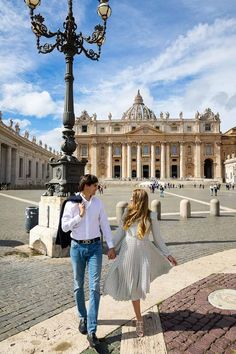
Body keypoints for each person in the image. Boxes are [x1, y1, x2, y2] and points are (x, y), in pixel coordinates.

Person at [103, 189, 177, 337]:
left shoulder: (152, 216)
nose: (130, 201)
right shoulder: (127, 214)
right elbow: (119, 234)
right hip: (127, 253)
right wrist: (111, 248)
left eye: (132, 199)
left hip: (143, 254)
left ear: (139, 200)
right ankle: (138, 316)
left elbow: (158, 239)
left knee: (136, 288)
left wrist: (168, 254)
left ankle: (139, 320)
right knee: (120, 281)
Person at [61, 174, 116, 348]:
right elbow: (64, 227)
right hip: (77, 247)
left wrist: (111, 245)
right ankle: (82, 317)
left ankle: (92, 330)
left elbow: (105, 225)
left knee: (94, 287)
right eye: (95, 186)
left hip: (94, 248)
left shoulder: (98, 203)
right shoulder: (71, 204)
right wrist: (80, 216)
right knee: (78, 285)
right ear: (86, 186)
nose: (97, 189)